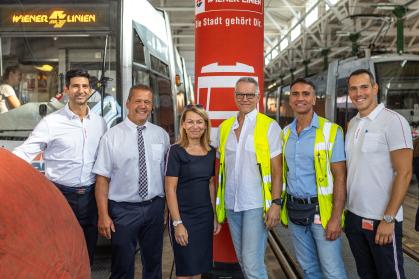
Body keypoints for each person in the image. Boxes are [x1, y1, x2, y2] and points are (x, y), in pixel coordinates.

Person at [13, 68, 107, 266]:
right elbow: (25, 152)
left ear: (90, 90)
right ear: (66, 90)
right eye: (75, 86)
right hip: (61, 196)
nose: (80, 91)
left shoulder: (100, 123)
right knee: (60, 252)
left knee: (87, 252)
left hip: (91, 197)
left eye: (84, 86)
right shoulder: (51, 123)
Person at [93, 84, 169, 279]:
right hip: (123, 210)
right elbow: (102, 178)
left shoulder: (161, 135)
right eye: (138, 101)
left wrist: (166, 209)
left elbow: (166, 176)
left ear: (152, 106)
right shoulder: (111, 137)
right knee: (122, 265)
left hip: (154, 207)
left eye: (147, 102)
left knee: (153, 264)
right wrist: (103, 214)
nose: (142, 106)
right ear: (127, 103)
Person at [345, 69, 413, 279]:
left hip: (381, 218)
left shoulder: (393, 121)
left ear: (375, 89)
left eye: (364, 87)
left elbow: (404, 172)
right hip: (354, 217)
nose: (359, 93)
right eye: (353, 89)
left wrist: (389, 218)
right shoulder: (352, 123)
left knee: (390, 275)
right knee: (366, 274)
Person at [280, 78, 347, 278]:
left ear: (314, 99)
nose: (300, 98)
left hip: (321, 213)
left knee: (332, 271)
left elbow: (340, 177)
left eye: (306, 94)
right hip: (294, 211)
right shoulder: (285, 134)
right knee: (309, 270)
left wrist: (336, 217)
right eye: (295, 94)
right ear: (290, 100)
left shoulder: (331, 131)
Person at [216, 77, 282, 279]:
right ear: (235, 96)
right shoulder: (225, 128)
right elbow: (220, 168)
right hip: (231, 204)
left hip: (256, 204)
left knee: (252, 264)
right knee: (244, 261)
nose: (245, 98)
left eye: (249, 94)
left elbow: (277, 170)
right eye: (240, 94)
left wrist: (276, 204)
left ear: (257, 97)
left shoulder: (269, 126)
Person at [165, 104, 222, 279]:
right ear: (183, 124)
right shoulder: (175, 151)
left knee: (198, 269)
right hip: (183, 216)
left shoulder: (211, 152)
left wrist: (214, 216)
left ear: (206, 125)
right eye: (190, 122)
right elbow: (170, 189)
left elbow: (211, 184)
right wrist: (177, 223)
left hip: (204, 217)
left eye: (199, 122)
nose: (195, 126)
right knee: (184, 269)